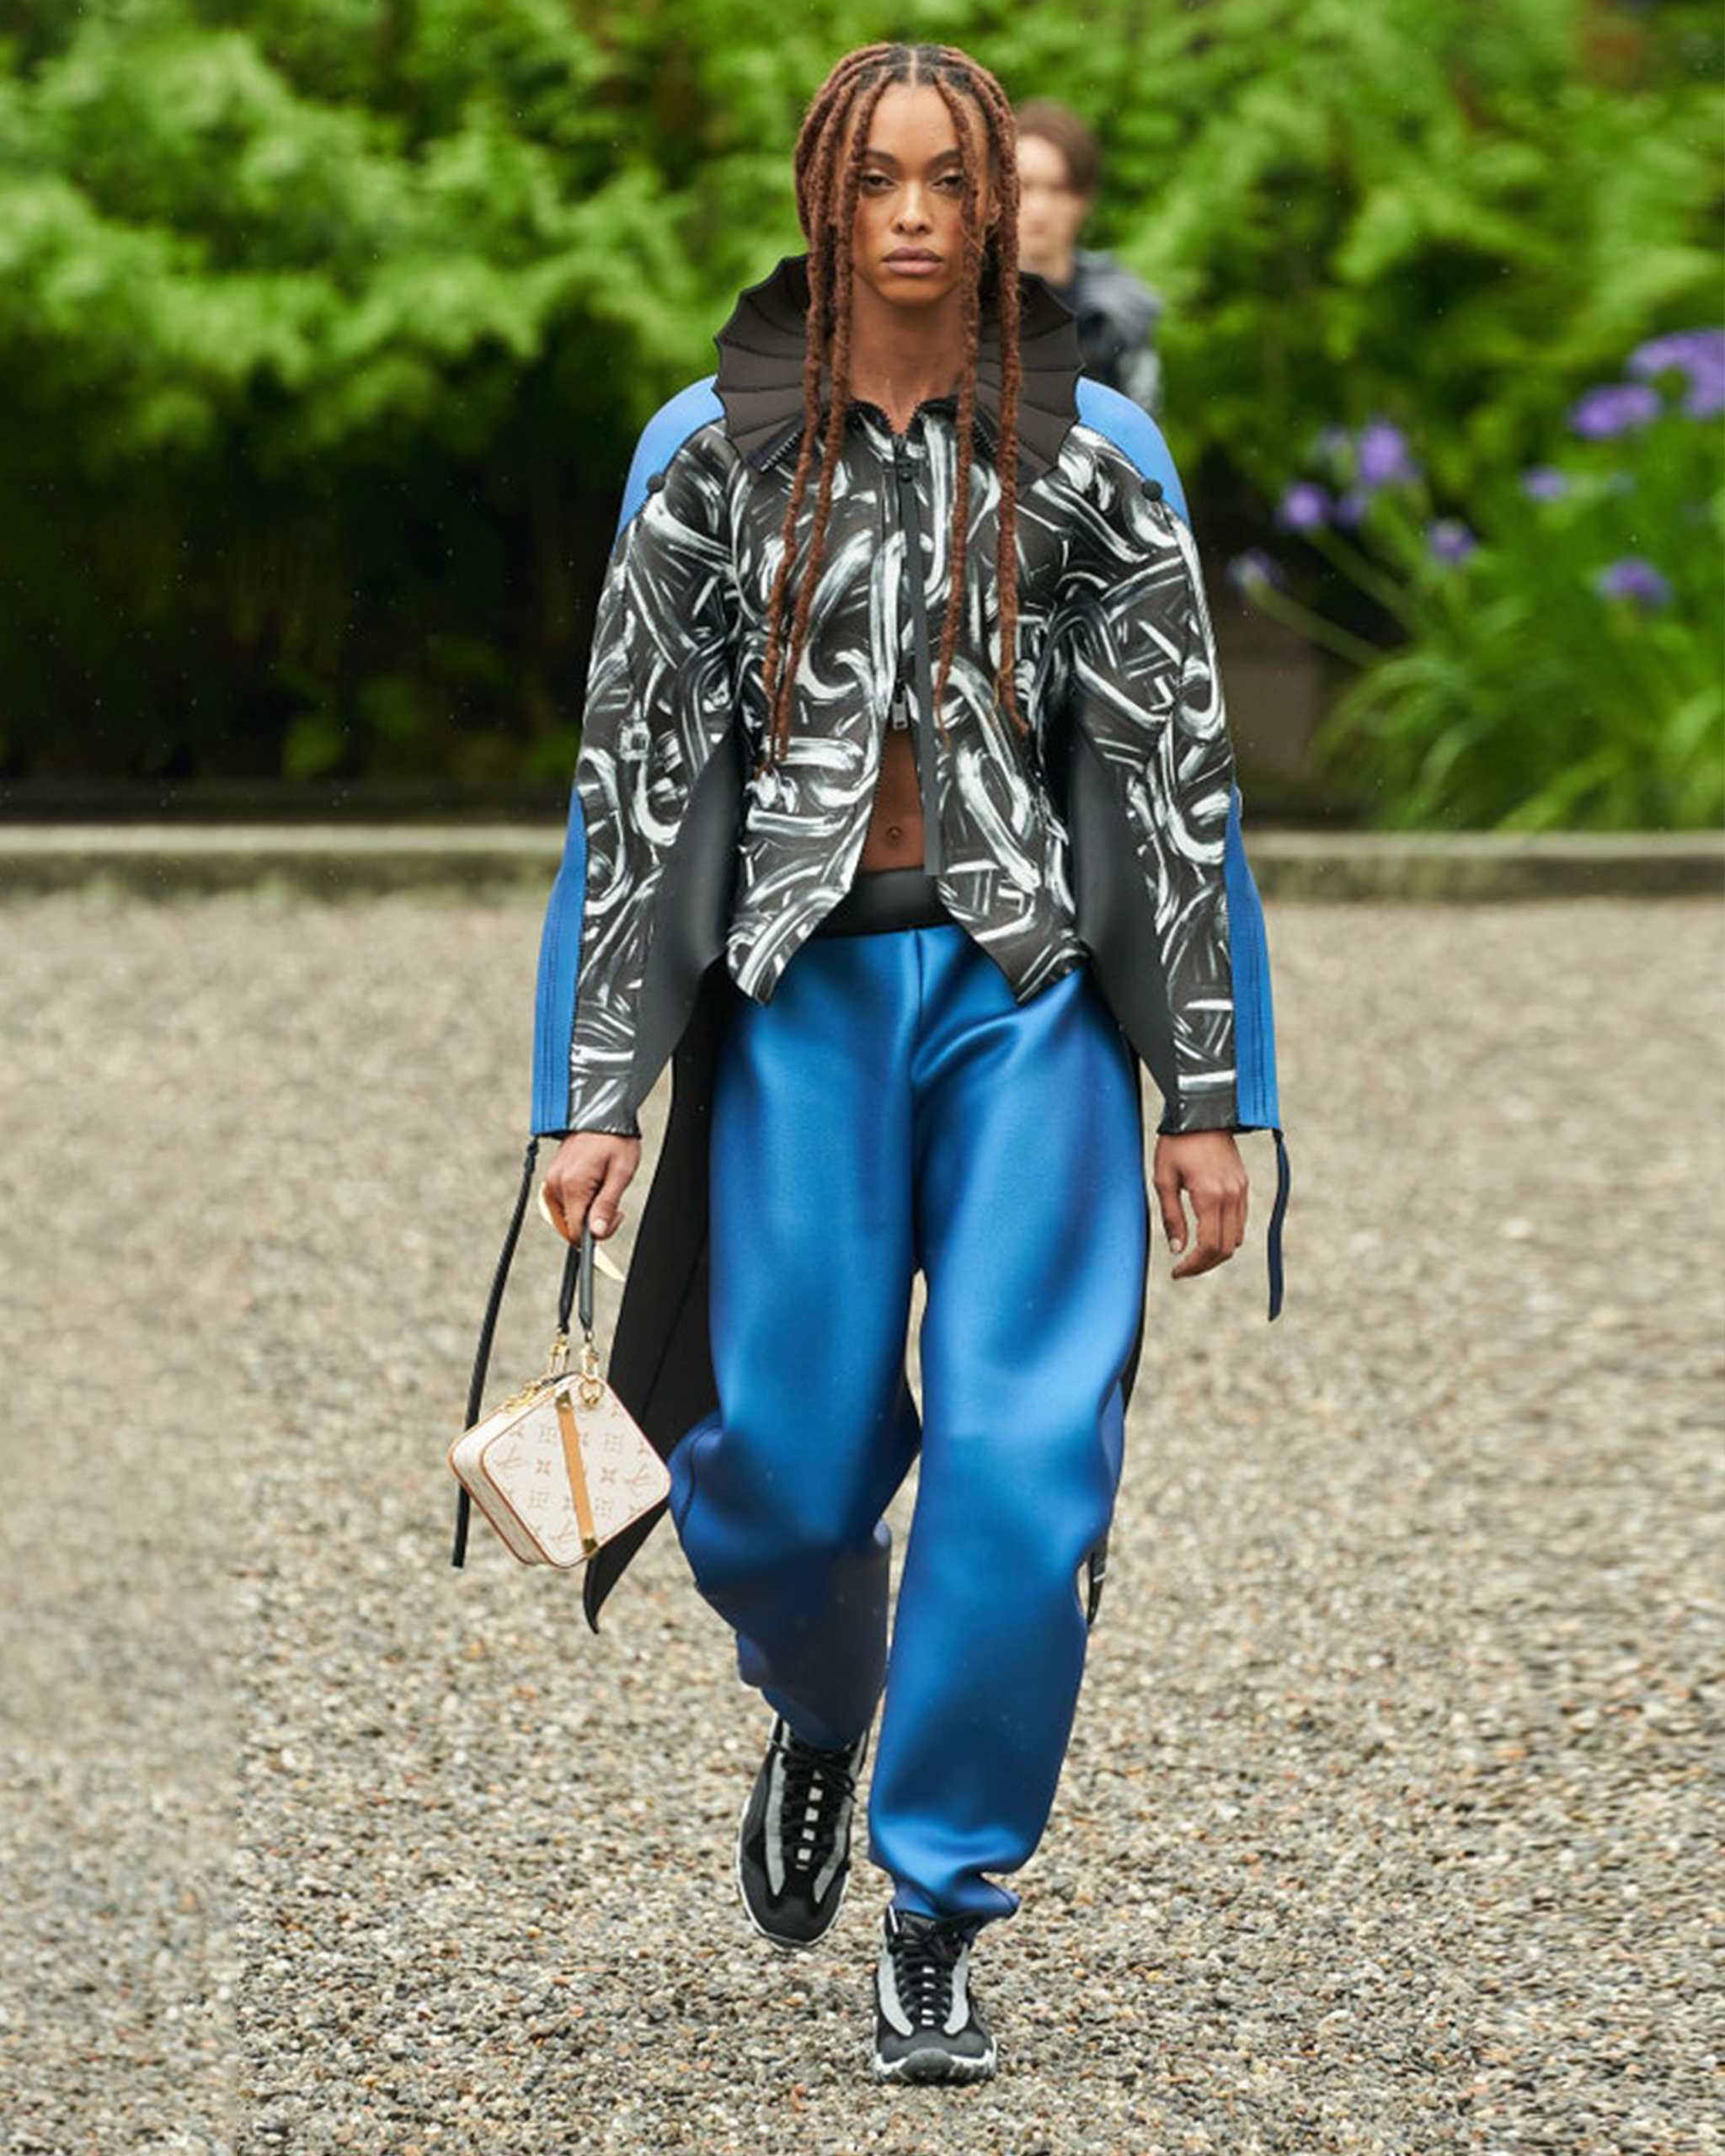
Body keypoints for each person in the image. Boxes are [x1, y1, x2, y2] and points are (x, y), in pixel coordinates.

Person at [526, 41, 1285, 2085]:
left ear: (999, 196)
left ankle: (941, 1898)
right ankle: (824, 1695)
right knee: (768, 1473)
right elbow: (629, 773)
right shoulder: (706, 450)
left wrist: (1215, 1096)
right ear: (823, 196)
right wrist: (587, 1087)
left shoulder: (1097, 446)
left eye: (955, 175)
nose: (923, 213)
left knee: (1028, 1467)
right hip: (798, 1002)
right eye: (881, 177)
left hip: (1029, 1000)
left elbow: (1178, 779)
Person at [1015, 99, 1165, 416]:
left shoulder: (1118, 316)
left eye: (1057, 189)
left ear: (1084, 199)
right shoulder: (959, 309)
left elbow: (1139, 426)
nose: (1040, 208)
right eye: (1024, 186)